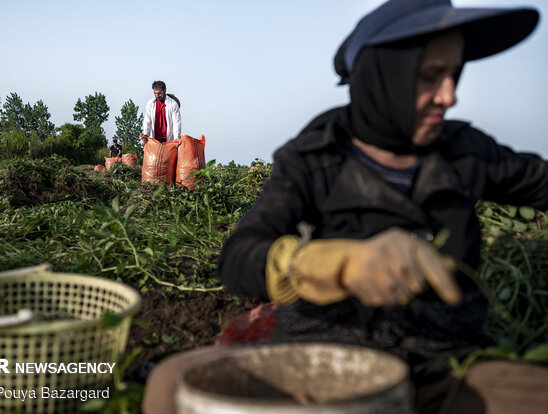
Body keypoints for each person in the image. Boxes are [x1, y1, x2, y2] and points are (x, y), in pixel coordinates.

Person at [143, 1, 548, 412]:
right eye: (429, 77)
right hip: (319, 362)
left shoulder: (467, 151)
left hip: (440, 366)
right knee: (167, 386)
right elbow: (239, 258)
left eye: (453, 73)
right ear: (382, 78)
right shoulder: (315, 155)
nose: (449, 96)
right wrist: (333, 264)